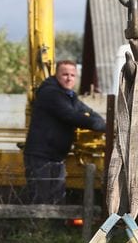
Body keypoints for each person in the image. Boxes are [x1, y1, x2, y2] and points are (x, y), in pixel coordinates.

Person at [23, 60, 106, 204]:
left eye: (72, 75)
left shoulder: (69, 95)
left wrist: (102, 123)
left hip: (56, 156)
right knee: (41, 201)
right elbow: (71, 116)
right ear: (57, 75)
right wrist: (101, 125)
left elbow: (87, 112)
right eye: (65, 74)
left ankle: (53, 226)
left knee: (57, 199)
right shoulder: (51, 93)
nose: (69, 78)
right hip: (41, 156)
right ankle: (39, 226)